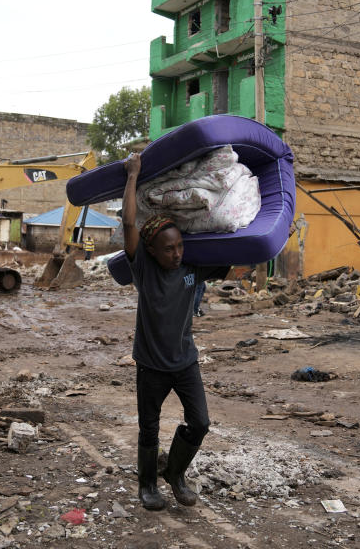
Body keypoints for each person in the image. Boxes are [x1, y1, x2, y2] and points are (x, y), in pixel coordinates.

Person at [122, 153, 229, 511]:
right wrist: (133, 175)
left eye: (180, 245)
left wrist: (274, 237)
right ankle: (147, 485)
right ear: (151, 251)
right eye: (168, 249)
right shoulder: (144, 269)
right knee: (149, 428)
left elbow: (237, 246)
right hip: (151, 364)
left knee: (199, 422)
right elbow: (128, 224)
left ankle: (176, 474)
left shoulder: (193, 269)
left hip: (185, 361)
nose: (177, 254)